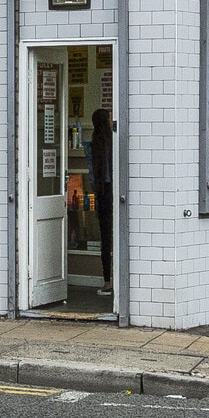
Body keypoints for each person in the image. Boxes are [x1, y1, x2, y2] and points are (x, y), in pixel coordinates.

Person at [87, 108, 114, 287]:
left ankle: (107, 281)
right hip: (113, 191)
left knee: (105, 238)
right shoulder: (113, 142)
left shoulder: (93, 144)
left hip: (102, 193)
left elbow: (92, 175)